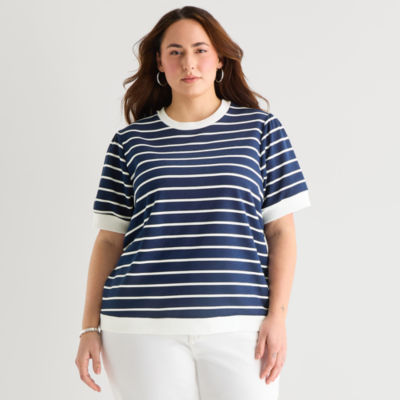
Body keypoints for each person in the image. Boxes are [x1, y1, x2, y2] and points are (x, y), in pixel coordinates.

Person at [75, 6, 311, 400]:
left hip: (241, 326)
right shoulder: (130, 142)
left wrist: (278, 318)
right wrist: (88, 328)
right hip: (139, 327)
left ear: (219, 59)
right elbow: (109, 241)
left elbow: (281, 232)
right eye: (176, 52)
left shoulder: (261, 130)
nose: (189, 63)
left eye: (200, 50)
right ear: (159, 63)